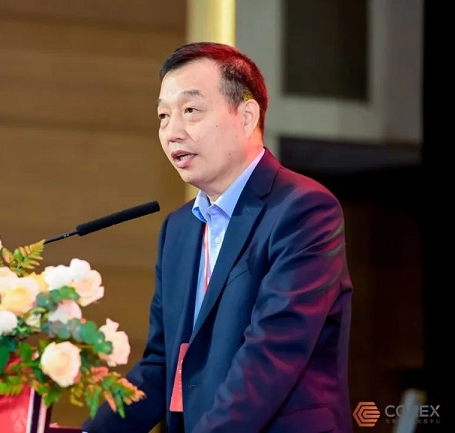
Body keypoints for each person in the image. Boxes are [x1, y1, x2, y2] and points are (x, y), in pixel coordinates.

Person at [82, 42, 353, 433]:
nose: (172, 132)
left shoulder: (302, 209)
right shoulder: (178, 229)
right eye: (163, 116)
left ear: (246, 116)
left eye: (190, 110)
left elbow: (270, 356)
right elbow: (161, 364)